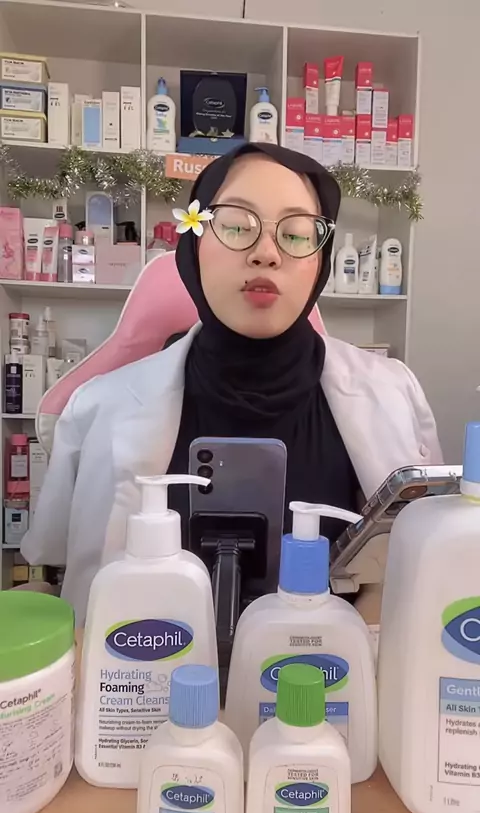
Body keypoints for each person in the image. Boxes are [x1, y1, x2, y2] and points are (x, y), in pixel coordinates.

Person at [22, 143, 442, 624]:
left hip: (332, 667)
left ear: (320, 261)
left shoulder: (393, 393)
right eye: (237, 226)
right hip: (139, 666)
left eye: (296, 234)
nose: (266, 253)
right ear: (195, 245)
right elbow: (51, 570)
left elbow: (425, 559)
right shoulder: (97, 406)